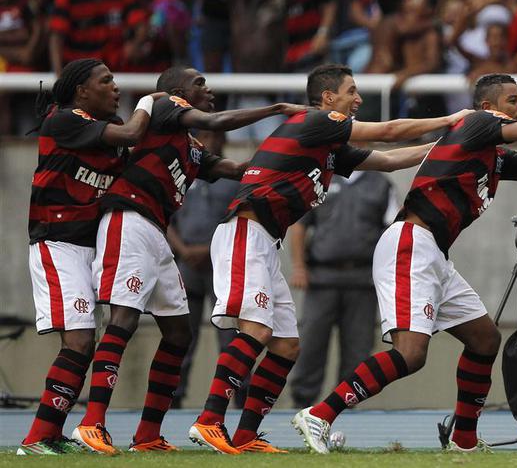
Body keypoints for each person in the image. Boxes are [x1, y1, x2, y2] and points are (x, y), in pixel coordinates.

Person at [293, 75, 517, 454]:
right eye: (514, 100)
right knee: (411, 354)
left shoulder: (488, 152)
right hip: (411, 243)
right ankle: (320, 414)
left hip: (433, 252)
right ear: (490, 107)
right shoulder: (477, 124)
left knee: (484, 339)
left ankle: (463, 439)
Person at [189, 64, 473, 454]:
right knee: (256, 331)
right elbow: (388, 132)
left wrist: (446, 145)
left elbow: (390, 159)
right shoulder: (317, 121)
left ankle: (246, 436)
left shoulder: (324, 145)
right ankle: (209, 420)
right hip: (245, 231)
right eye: (351, 91)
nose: (357, 99)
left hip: (265, 240)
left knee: (286, 346)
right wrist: (450, 119)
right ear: (328, 99)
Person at [70, 68, 303, 454]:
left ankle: (147, 435)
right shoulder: (164, 107)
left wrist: (292, 159)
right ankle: (91, 423)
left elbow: (234, 169)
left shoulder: (189, 145)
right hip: (128, 222)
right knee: (123, 320)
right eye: (199, 84)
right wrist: (278, 109)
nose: (207, 89)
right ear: (179, 92)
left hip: (155, 233)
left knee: (180, 334)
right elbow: (217, 120)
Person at [18, 59, 162, 456]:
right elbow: (135, 130)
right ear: (82, 91)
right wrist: (151, 100)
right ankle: (35, 439)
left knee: (85, 341)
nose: (115, 86)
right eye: (106, 80)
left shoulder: (106, 134)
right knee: (80, 341)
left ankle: (49, 434)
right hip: (57, 243)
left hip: (89, 247)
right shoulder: (66, 121)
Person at [287, 171, 398, 407]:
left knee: (358, 349)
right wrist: (298, 267)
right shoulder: (321, 180)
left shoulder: (380, 183)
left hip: (363, 279)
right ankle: (302, 402)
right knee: (310, 345)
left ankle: (345, 405)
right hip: (321, 278)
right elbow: (299, 225)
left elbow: (393, 231)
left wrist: (388, 275)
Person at [167, 131, 242, 410]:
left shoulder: (232, 176)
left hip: (221, 264)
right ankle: (173, 398)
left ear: (223, 141)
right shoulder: (182, 176)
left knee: (230, 335)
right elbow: (164, 218)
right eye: (205, 137)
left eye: (215, 137)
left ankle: (236, 398)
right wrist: (183, 250)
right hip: (186, 263)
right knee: (181, 334)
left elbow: (241, 220)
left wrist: (210, 248)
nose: (210, 142)